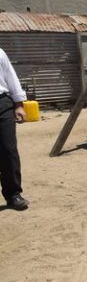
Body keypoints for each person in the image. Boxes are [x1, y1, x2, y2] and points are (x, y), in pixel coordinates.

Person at [0, 47, 29, 211]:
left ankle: (13, 194)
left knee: (8, 149)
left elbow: (11, 77)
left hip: (2, 104)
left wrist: (19, 105)